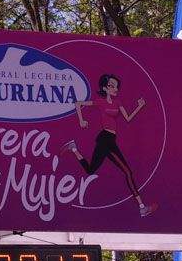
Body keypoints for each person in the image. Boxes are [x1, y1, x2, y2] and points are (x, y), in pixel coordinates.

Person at [64, 73, 156, 217]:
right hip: (105, 139)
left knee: (90, 170)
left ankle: (73, 148)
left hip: (109, 140)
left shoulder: (118, 102)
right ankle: (141, 207)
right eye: (111, 86)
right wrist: (81, 120)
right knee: (128, 172)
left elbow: (128, 118)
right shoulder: (100, 101)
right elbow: (78, 103)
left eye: (116, 86)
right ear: (104, 88)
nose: (115, 89)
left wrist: (140, 106)